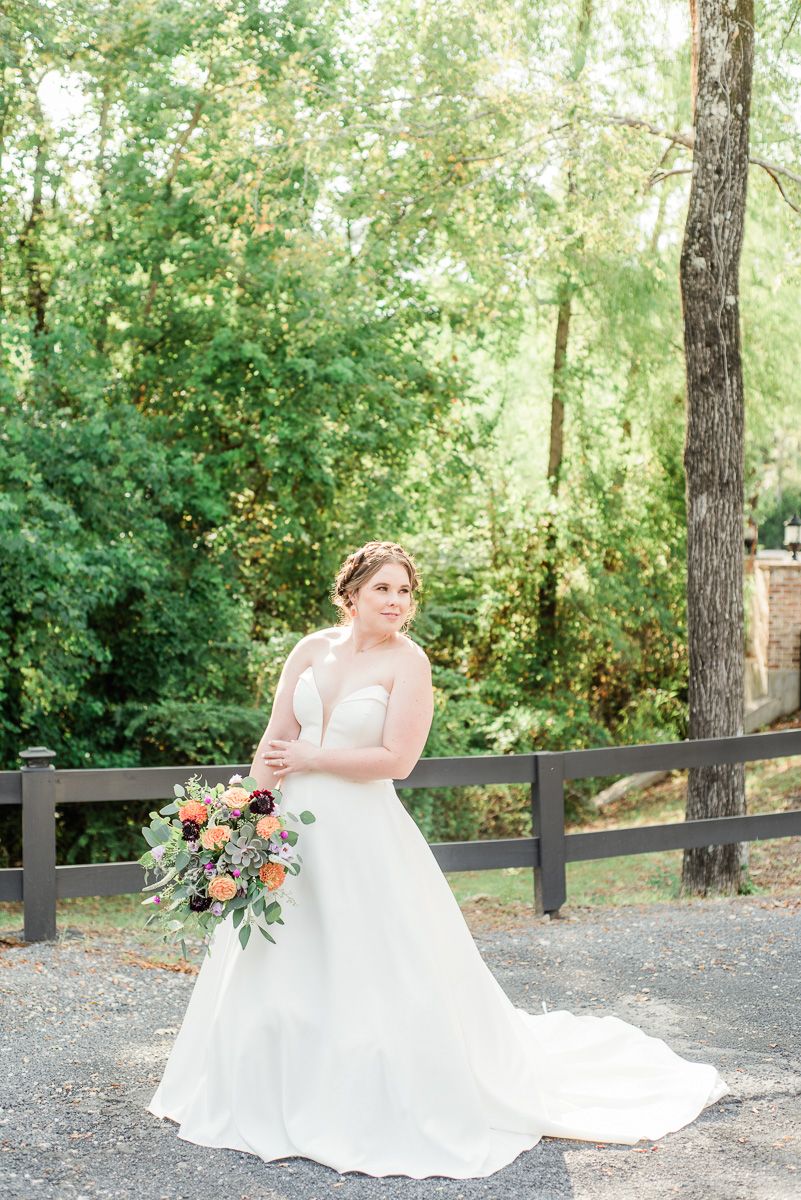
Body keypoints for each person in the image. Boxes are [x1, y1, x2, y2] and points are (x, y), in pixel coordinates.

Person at [146, 539, 728, 1179]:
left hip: (362, 833)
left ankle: (370, 1092)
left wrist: (313, 759)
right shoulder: (310, 650)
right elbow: (275, 739)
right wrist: (245, 816)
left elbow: (397, 761)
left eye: (403, 591)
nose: (395, 602)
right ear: (352, 593)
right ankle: (261, 1088)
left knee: (374, 959)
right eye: (382, 590)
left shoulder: (410, 664)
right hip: (287, 834)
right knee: (279, 956)